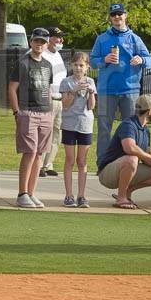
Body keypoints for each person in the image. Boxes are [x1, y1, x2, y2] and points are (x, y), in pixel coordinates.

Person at [90, 3, 151, 166]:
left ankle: (136, 161)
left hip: (130, 91)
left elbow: (150, 60)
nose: (117, 17)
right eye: (113, 15)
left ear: (126, 16)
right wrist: (103, 60)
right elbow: (92, 61)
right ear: (110, 18)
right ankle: (103, 163)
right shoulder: (102, 39)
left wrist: (141, 59)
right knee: (104, 129)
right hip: (106, 91)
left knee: (133, 127)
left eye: (120, 14)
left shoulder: (135, 39)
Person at [8, 28, 54, 208]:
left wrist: (49, 111)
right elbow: (12, 88)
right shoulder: (23, 63)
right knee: (30, 152)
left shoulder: (48, 65)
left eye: (43, 42)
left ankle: (32, 193)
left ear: (46, 43)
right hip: (27, 111)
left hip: (45, 113)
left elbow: (48, 90)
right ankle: (22, 193)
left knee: (40, 154)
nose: (39, 44)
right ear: (31, 41)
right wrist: (16, 112)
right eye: (37, 41)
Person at [96, 93, 151, 209]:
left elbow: (147, 156)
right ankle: (121, 198)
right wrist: (150, 158)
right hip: (107, 174)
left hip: (127, 169)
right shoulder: (128, 124)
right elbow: (129, 148)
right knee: (132, 159)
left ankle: (128, 190)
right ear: (150, 110)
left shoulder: (146, 130)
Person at [58, 51, 96, 207]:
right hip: (69, 124)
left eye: (82, 65)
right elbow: (65, 105)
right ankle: (68, 195)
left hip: (85, 124)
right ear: (71, 66)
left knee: (82, 161)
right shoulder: (66, 82)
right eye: (76, 65)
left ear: (87, 67)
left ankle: (81, 195)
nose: (79, 68)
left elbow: (91, 106)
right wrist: (74, 90)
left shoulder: (91, 81)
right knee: (69, 160)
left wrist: (91, 93)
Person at [38, 28, 67, 177]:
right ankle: (39, 165)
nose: (60, 41)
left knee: (57, 133)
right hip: (47, 99)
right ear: (49, 39)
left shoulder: (58, 56)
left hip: (60, 100)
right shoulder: (43, 55)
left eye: (61, 38)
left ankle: (48, 164)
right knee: (44, 132)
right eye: (57, 38)